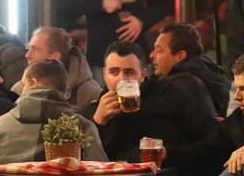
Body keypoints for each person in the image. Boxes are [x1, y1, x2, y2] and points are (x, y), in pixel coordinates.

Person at [87, 40, 217, 162]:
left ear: (143, 75)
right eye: (114, 72)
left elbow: (209, 146)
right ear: (104, 74)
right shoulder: (96, 108)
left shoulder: (168, 96)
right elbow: (85, 159)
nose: (122, 80)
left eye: (129, 72)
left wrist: (167, 154)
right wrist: (98, 123)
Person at [0, 59, 107, 164]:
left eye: (23, 84)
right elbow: (101, 174)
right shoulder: (83, 127)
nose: (20, 90)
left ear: (34, 82)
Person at [10, 26, 102, 114]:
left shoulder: (90, 94)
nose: (27, 55)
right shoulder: (19, 89)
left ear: (54, 57)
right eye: (29, 48)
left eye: (35, 50)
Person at [151, 21, 230, 115]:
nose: (151, 55)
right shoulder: (205, 71)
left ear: (180, 56)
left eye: (159, 50)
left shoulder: (183, 86)